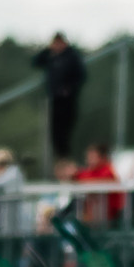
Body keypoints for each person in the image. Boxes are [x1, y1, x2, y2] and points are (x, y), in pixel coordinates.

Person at [32, 32, 87, 166]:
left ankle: (66, 158)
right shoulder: (51, 56)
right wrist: (48, 50)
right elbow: (35, 62)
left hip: (68, 100)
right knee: (55, 131)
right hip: (55, 99)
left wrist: (69, 89)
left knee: (65, 129)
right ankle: (61, 158)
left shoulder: (72, 56)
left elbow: (81, 76)